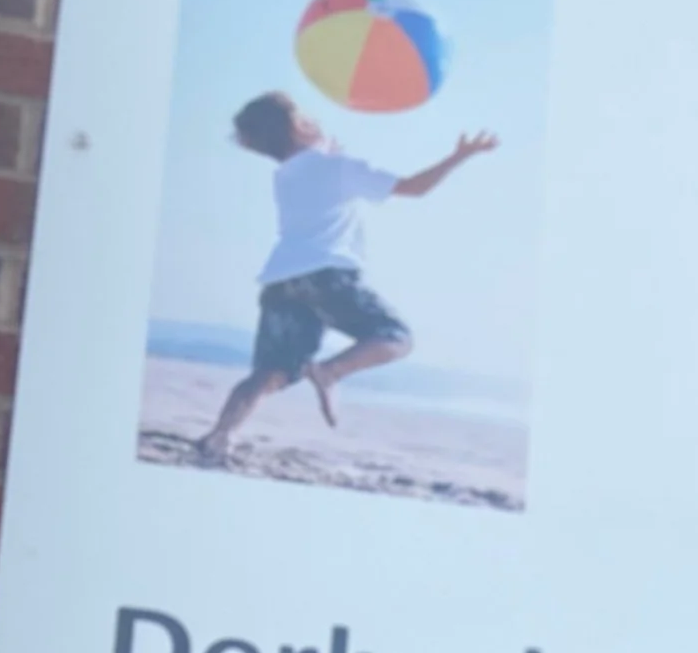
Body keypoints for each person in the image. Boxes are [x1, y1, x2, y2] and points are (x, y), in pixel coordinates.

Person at [197, 91, 494, 467]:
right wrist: (459, 156)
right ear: (299, 126)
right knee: (395, 338)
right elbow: (414, 188)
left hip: (281, 279)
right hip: (327, 274)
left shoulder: (285, 175)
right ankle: (330, 372)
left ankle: (221, 434)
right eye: (304, 115)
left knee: (270, 372)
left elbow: (311, 170)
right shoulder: (337, 168)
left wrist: (324, 151)